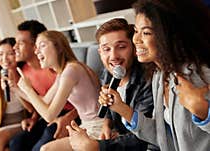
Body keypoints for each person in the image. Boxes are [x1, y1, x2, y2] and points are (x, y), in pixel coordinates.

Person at [81, 1, 210, 151]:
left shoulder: (199, 76)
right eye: (136, 31)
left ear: (170, 35)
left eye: (146, 32)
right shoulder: (160, 76)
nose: (136, 39)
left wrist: (204, 112)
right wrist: (123, 109)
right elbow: (162, 137)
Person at [66, 18, 158, 151]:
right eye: (106, 49)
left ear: (134, 48)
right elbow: (108, 106)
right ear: (100, 53)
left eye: (121, 47)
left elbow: (146, 136)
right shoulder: (109, 72)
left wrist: (99, 146)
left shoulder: (148, 79)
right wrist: (106, 125)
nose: (113, 56)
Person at [16, 30, 104, 151]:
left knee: (45, 149)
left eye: (42, 45)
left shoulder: (71, 71)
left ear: (58, 47)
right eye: (36, 47)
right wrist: (17, 89)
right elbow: (45, 101)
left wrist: (28, 89)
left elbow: (49, 115)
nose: (36, 51)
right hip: (86, 126)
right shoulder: (63, 73)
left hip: (98, 127)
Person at [8, 20, 78, 151]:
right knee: (16, 143)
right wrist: (34, 117)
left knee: (38, 148)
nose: (14, 47)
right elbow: (38, 102)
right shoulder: (23, 70)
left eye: (20, 43)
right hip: (47, 113)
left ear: (36, 46)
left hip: (71, 112)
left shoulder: (56, 67)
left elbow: (85, 98)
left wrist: (68, 117)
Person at [0, 37, 30, 151]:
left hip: (23, 122)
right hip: (2, 124)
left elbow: (32, 109)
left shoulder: (25, 75)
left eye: (10, 53)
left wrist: (15, 87)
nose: (4, 58)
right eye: (0, 54)